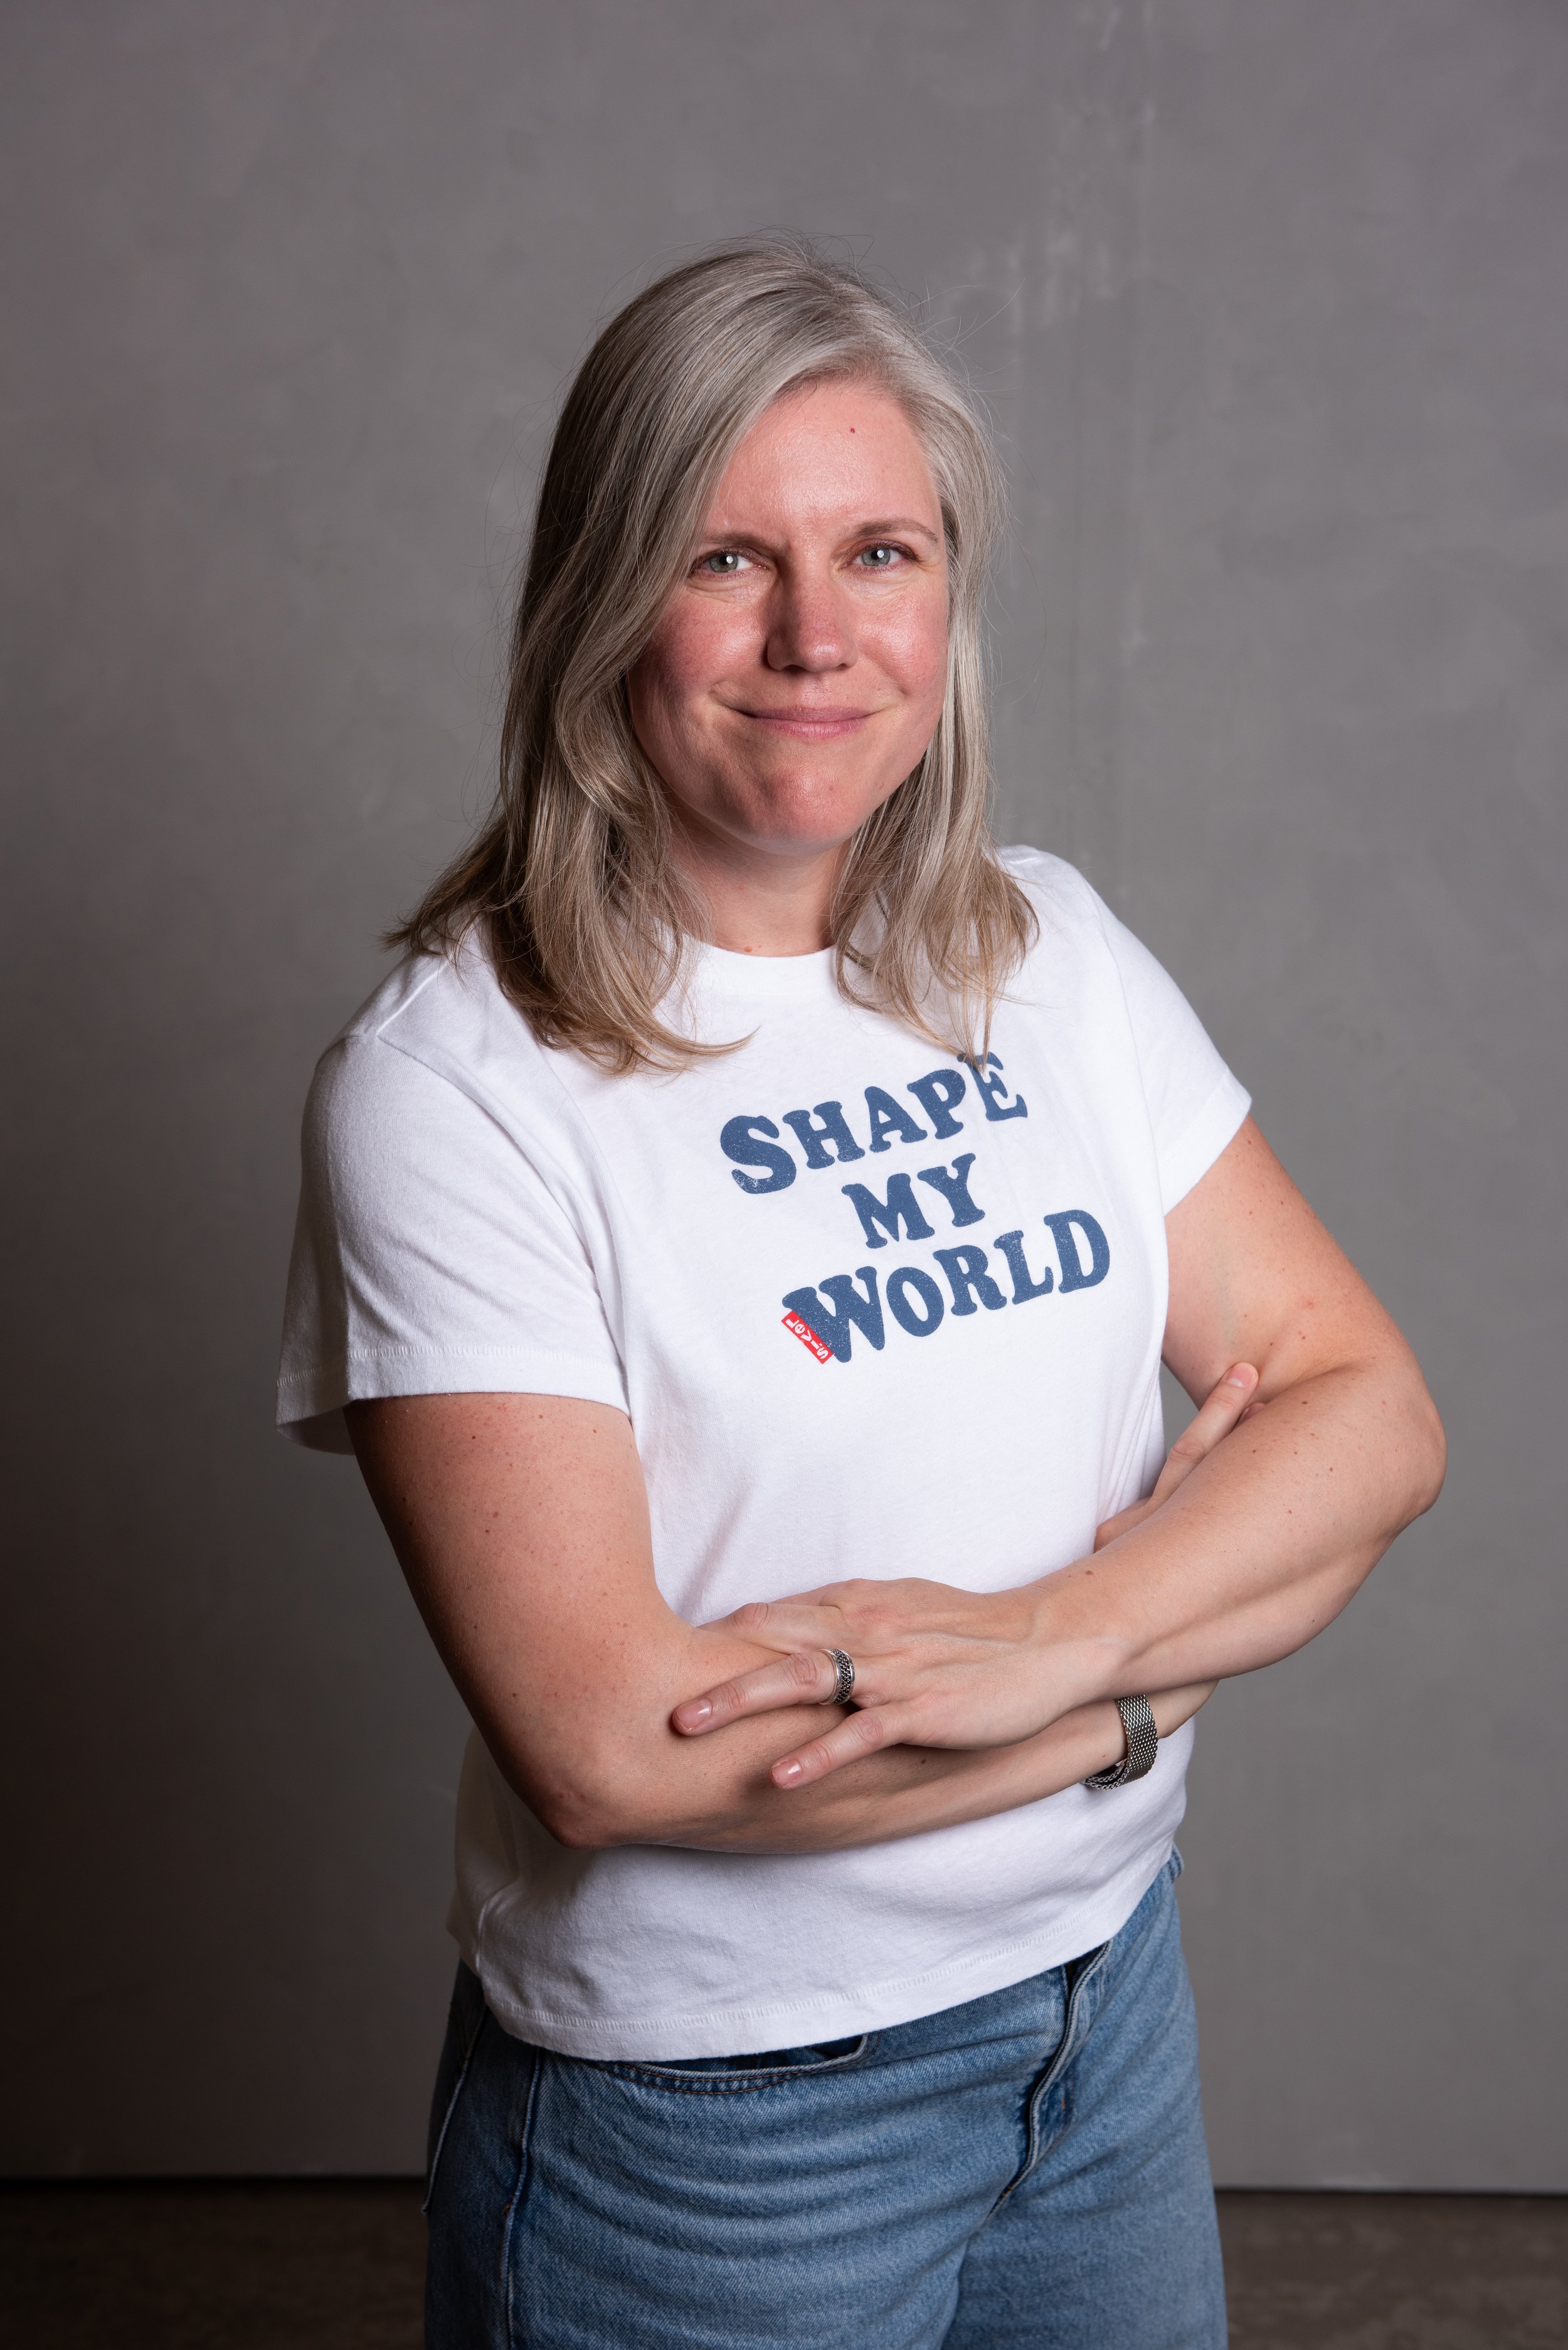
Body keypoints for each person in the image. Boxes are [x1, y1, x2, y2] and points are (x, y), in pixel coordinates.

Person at [278, 240, 1444, 2350]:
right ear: (601, 598)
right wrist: (1148, 1685)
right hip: (716, 2138)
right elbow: (613, 1748)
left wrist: (1052, 1636)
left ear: (943, 602)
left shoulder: (1042, 954)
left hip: (1099, 2028)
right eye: (726, 557)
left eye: (877, 549)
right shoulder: (456, 1084)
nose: (816, 635)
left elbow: (1370, 1411)